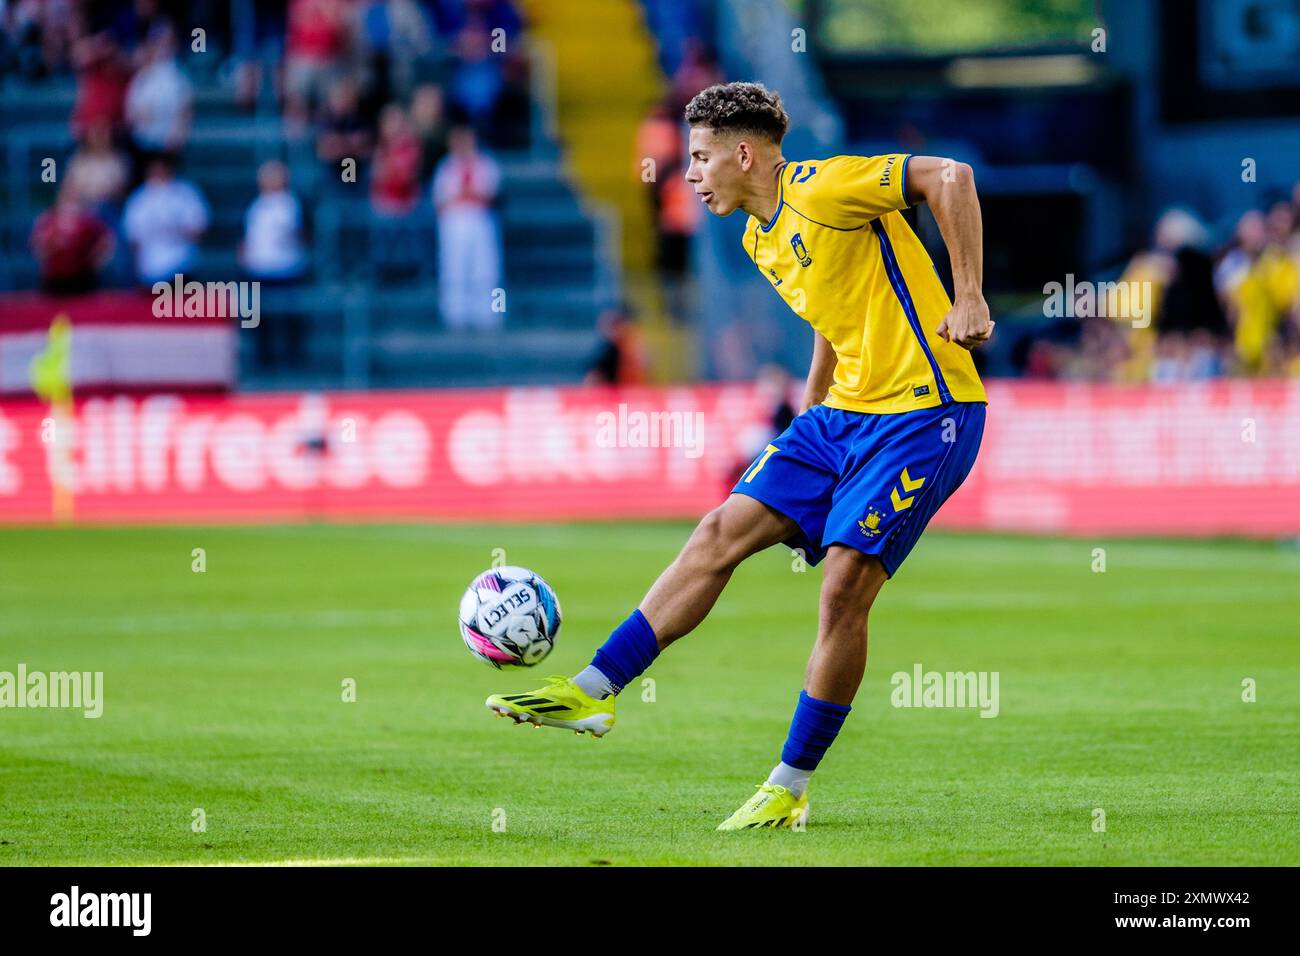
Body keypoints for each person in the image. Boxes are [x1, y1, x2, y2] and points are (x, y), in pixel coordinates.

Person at [485, 82, 994, 830]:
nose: (688, 174)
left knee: (842, 590)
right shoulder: (760, 237)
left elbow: (951, 176)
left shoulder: (824, 186)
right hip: (840, 417)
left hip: (926, 411)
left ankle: (789, 786)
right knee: (719, 531)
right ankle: (594, 689)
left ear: (744, 153)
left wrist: (970, 295)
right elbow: (832, 314)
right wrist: (807, 412)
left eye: (700, 157)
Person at [433, 125, 501, 330]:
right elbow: (441, 201)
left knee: (487, 268)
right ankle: (453, 315)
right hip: (454, 224)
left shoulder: (487, 164)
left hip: (480, 221)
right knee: (453, 268)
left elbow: (490, 195)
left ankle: (492, 314)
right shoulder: (445, 167)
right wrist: (465, 195)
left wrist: (466, 195)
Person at [122, 156, 209, 286]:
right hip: (149, 268)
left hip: (181, 264)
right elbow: (133, 239)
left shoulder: (186, 193)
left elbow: (198, 230)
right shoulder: (139, 199)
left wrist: (171, 229)